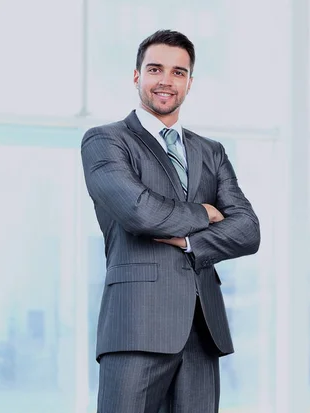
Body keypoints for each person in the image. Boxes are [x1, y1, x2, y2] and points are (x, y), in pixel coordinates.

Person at [80, 29, 260, 413]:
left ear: (190, 83)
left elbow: (247, 229)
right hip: (135, 327)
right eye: (155, 69)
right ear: (136, 76)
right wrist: (204, 214)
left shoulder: (211, 152)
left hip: (201, 332)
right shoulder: (106, 141)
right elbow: (139, 211)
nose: (166, 80)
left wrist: (189, 241)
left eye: (178, 72)